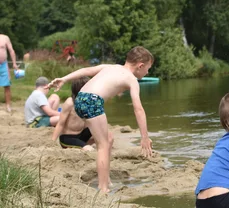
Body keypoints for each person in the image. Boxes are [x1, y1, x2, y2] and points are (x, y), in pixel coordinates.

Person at [48, 46, 154, 193]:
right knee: (103, 145)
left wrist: (64, 79)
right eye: (148, 68)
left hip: (79, 99)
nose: (147, 72)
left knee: (108, 138)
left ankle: (107, 180)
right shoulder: (131, 79)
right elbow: (138, 109)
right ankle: (103, 188)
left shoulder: (111, 67)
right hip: (93, 101)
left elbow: (85, 71)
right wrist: (144, 137)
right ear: (140, 65)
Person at [52, 76, 114, 151]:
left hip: (82, 135)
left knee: (108, 136)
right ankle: (86, 146)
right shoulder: (70, 103)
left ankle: (101, 149)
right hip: (68, 138)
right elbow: (60, 124)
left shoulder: (88, 102)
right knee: (89, 149)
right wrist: (52, 143)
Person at [0, 33, 18, 113]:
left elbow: (11, 50)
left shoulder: (5, 38)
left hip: (3, 64)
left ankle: (8, 105)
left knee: (7, 85)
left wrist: (14, 63)